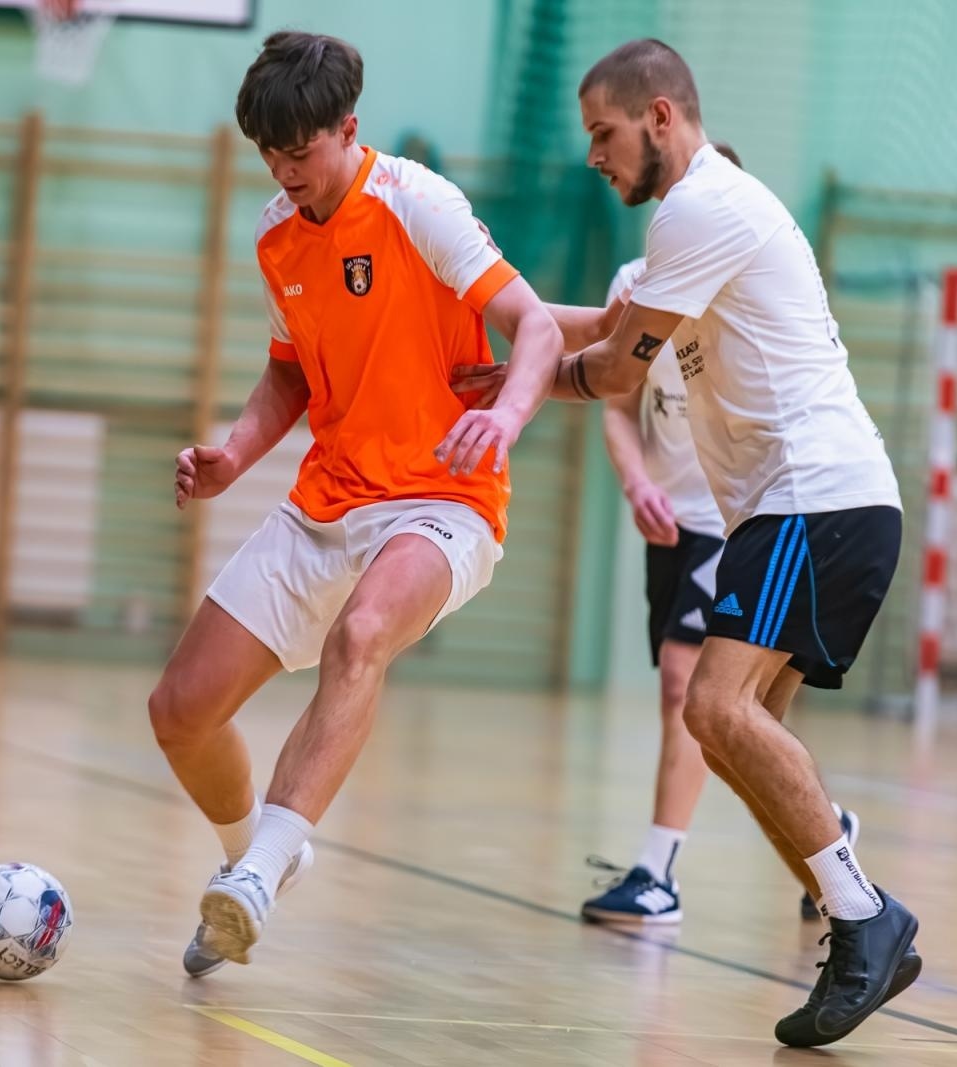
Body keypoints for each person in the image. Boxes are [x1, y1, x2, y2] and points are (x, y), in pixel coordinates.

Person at [456, 39, 918, 1048]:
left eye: (604, 135)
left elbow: (616, 372)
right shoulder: (691, 227)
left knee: (710, 705)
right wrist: (513, 337)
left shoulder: (702, 207)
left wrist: (524, 385)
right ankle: (854, 907)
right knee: (748, 746)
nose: (594, 157)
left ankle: (865, 916)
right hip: (808, 509)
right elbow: (612, 326)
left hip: (815, 502)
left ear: (660, 117)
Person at [150, 30, 563, 977]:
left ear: (349, 128)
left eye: (301, 151)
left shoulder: (418, 204)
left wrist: (502, 418)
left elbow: (534, 325)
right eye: (270, 154)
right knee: (179, 709)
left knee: (362, 634)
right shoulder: (274, 235)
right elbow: (289, 376)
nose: (286, 171)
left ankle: (255, 877)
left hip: (441, 498)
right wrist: (233, 454)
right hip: (327, 502)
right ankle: (253, 860)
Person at [581, 144, 863, 928]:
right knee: (743, 717)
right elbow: (614, 400)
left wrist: (538, 369)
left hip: (733, 520)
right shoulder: (636, 290)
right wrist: (635, 479)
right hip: (666, 520)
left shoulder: (742, 285)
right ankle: (827, 842)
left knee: (691, 689)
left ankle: (658, 870)